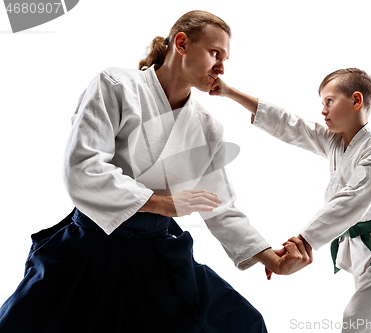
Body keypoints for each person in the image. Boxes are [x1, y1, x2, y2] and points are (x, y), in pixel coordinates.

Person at [0, 10, 312, 333]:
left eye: (225, 59)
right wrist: (165, 204)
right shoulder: (115, 86)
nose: (221, 67)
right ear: (181, 44)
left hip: (157, 253)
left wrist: (272, 260)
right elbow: (83, 168)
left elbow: (220, 207)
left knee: (243, 323)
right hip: (91, 243)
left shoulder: (207, 128)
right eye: (215, 53)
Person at [211, 68, 371, 332]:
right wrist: (229, 92)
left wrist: (303, 241)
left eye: (329, 101)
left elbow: (348, 202)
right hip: (367, 254)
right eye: (322, 103)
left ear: (356, 101)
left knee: (357, 323)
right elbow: (290, 125)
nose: (323, 110)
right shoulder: (334, 142)